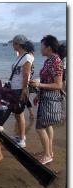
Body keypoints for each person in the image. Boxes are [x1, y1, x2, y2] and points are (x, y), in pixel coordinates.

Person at [29, 35, 64, 165]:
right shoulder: (49, 60)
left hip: (51, 99)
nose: (40, 49)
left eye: (42, 46)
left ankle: (48, 155)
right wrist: (38, 94)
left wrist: (38, 85)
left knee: (40, 127)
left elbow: (58, 85)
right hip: (45, 97)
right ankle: (48, 152)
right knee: (48, 125)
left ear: (48, 47)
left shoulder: (55, 61)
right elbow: (46, 80)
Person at [9, 34, 35, 148]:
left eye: (13, 43)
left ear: (18, 44)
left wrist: (24, 90)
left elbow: (26, 75)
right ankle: (21, 135)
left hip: (20, 89)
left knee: (19, 113)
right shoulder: (20, 56)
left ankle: (22, 139)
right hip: (15, 88)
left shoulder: (27, 57)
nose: (12, 45)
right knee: (17, 113)